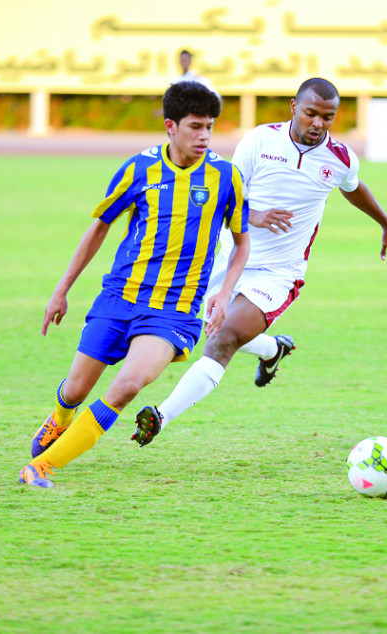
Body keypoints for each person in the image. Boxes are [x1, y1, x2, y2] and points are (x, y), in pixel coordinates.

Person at [131, 77, 387, 446]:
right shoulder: (260, 141)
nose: (318, 123)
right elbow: (228, 192)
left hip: (278, 274)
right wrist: (253, 216)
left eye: (328, 117)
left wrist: (385, 223)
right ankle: (273, 349)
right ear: (293, 108)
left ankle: (160, 416)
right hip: (230, 257)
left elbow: (354, 187)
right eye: (310, 114)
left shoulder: (339, 159)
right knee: (196, 322)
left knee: (222, 338)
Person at [19, 80, 250, 488]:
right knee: (75, 390)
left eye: (210, 127)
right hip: (119, 298)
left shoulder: (225, 177)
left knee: (125, 387)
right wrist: (62, 288)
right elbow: (99, 229)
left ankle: (42, 467)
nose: (205, 136)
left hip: (173, 312)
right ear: (170, 126)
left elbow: (242, 244)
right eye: (195, 126)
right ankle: (61, 417)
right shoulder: (139, 169)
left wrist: (224, 292)